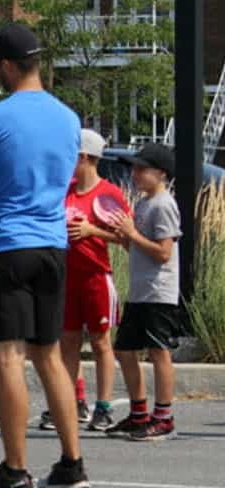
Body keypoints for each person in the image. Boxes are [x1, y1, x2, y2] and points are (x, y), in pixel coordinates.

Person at [0, 24, 90, 488]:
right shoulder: (69, 118)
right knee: (50, 356)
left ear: (8, 66)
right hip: (53, 246)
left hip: (5, 246)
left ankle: (15, 470)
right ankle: (72, 464)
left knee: (8, 359)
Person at [39, 129, 128, 433]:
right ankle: (68, 403)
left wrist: (93, 231)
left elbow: (127, 239)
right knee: (68, 342)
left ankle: (103, 407)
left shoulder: (109, 194)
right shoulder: (64, 191)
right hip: (65, 277)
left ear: (86, 158)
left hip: (95, 277)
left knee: (101, 342)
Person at [105, 144, 182, 441]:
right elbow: (137, 246)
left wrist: (133, 234)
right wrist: (123, 236)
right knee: (124, 350)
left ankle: (164, 417)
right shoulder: (144, 203)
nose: (135, 174)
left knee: (158, 350)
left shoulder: (163, 204)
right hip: (141, 291)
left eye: (141, 169)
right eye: (134, 168)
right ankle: (139, 414)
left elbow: (164, 252)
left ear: (160, 173)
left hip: (158, 292)